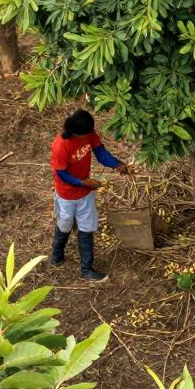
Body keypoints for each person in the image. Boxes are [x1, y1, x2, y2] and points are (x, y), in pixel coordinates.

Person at [50, 109, 125, 283]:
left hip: (85, 193)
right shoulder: (61, 144)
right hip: (67, 195)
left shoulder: (89, 133)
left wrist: (117, 164)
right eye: (86, 135)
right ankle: (57, 256)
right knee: (64, 225)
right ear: (75, 132)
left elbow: (100, 153)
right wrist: (83, 182)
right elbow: (61, 173)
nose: (89, 136)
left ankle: (87, 269)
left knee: (86, 227)